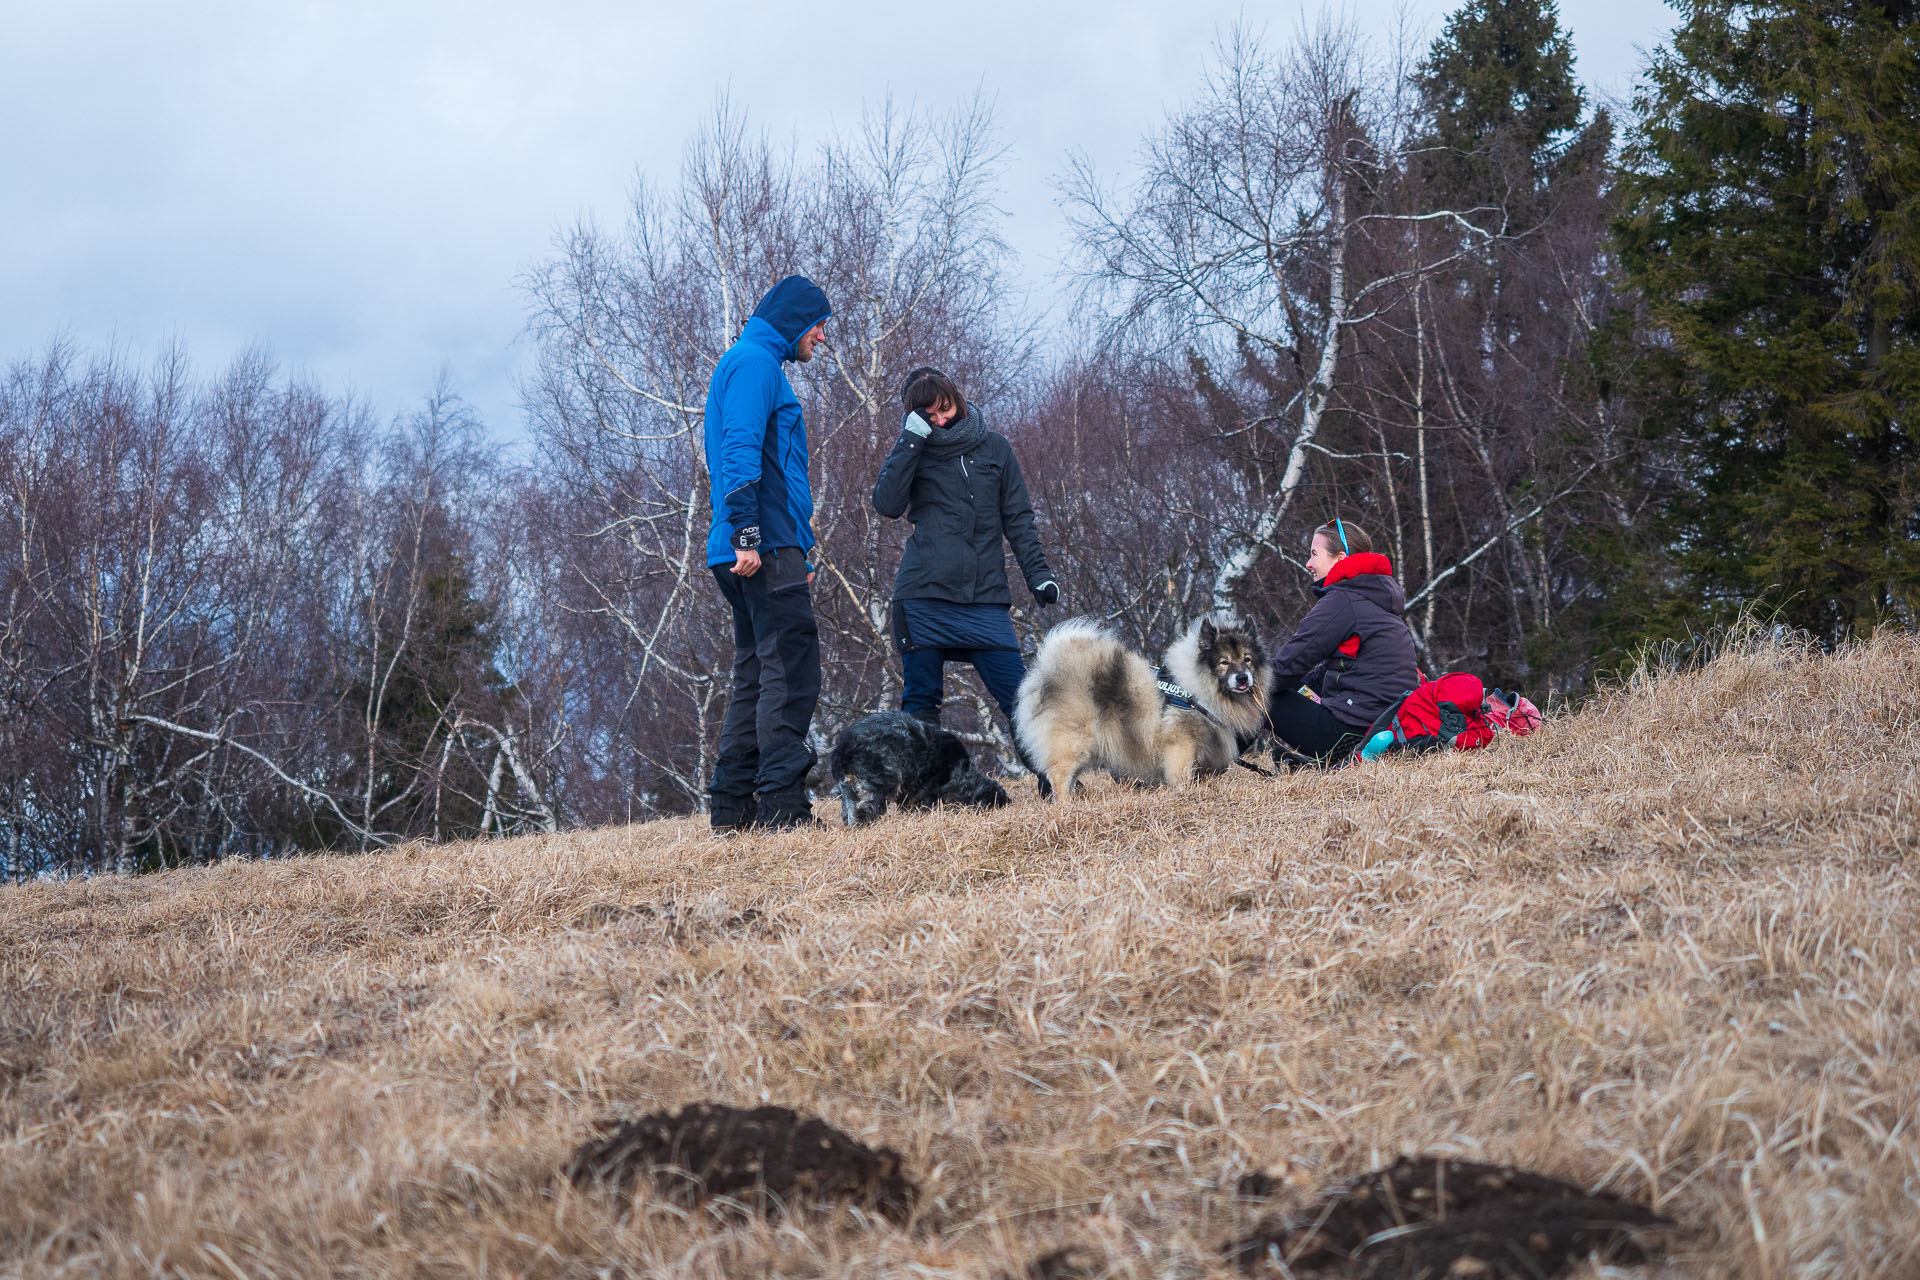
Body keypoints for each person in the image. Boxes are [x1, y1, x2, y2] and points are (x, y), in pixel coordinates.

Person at [872, 367, 1058, 792]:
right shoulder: (914, 449)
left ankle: (1055, 780)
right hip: (923, 598)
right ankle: (922, 796)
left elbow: (1019, 519)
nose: (940, 420)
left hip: (985, 601)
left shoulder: (995, 449)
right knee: (921, 704)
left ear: (957, 397)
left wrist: (1039, 575)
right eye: (928, 415)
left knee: (1021, 698)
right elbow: (886, 503)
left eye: (945, 408)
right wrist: (911, 438)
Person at [703, 274, 832, 832]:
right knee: (792, 671)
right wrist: (750, 537)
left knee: (756, 672)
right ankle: (783, 808)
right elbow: (739, 449)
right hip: (759, 543)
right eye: (819, 327)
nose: (822, 339)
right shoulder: (756, 363)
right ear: (795, 321)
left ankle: (733, 809)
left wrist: (790, 550)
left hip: (758, 545)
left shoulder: (745, 360)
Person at [1266, 518, 1420, 765]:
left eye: (1314, 554)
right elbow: (1328, 672)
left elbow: (1288, 666)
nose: (1308, 563)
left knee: (1251, 693)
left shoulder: (1342, 600)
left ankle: (1209, 766)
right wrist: (1297, 688)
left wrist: (1234, 682)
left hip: (1349, 735)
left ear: (1339, 559)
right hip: (1382, 729)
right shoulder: (1372, 598)